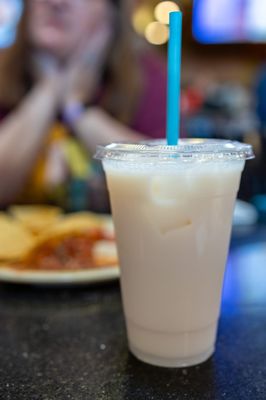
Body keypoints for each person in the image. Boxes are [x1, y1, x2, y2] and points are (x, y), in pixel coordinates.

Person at [0, 0, 167, 211]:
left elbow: (164, 185)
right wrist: (47, 92)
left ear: (111, 13)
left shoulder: (146, 76)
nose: (56, 2)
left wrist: (77, 109)